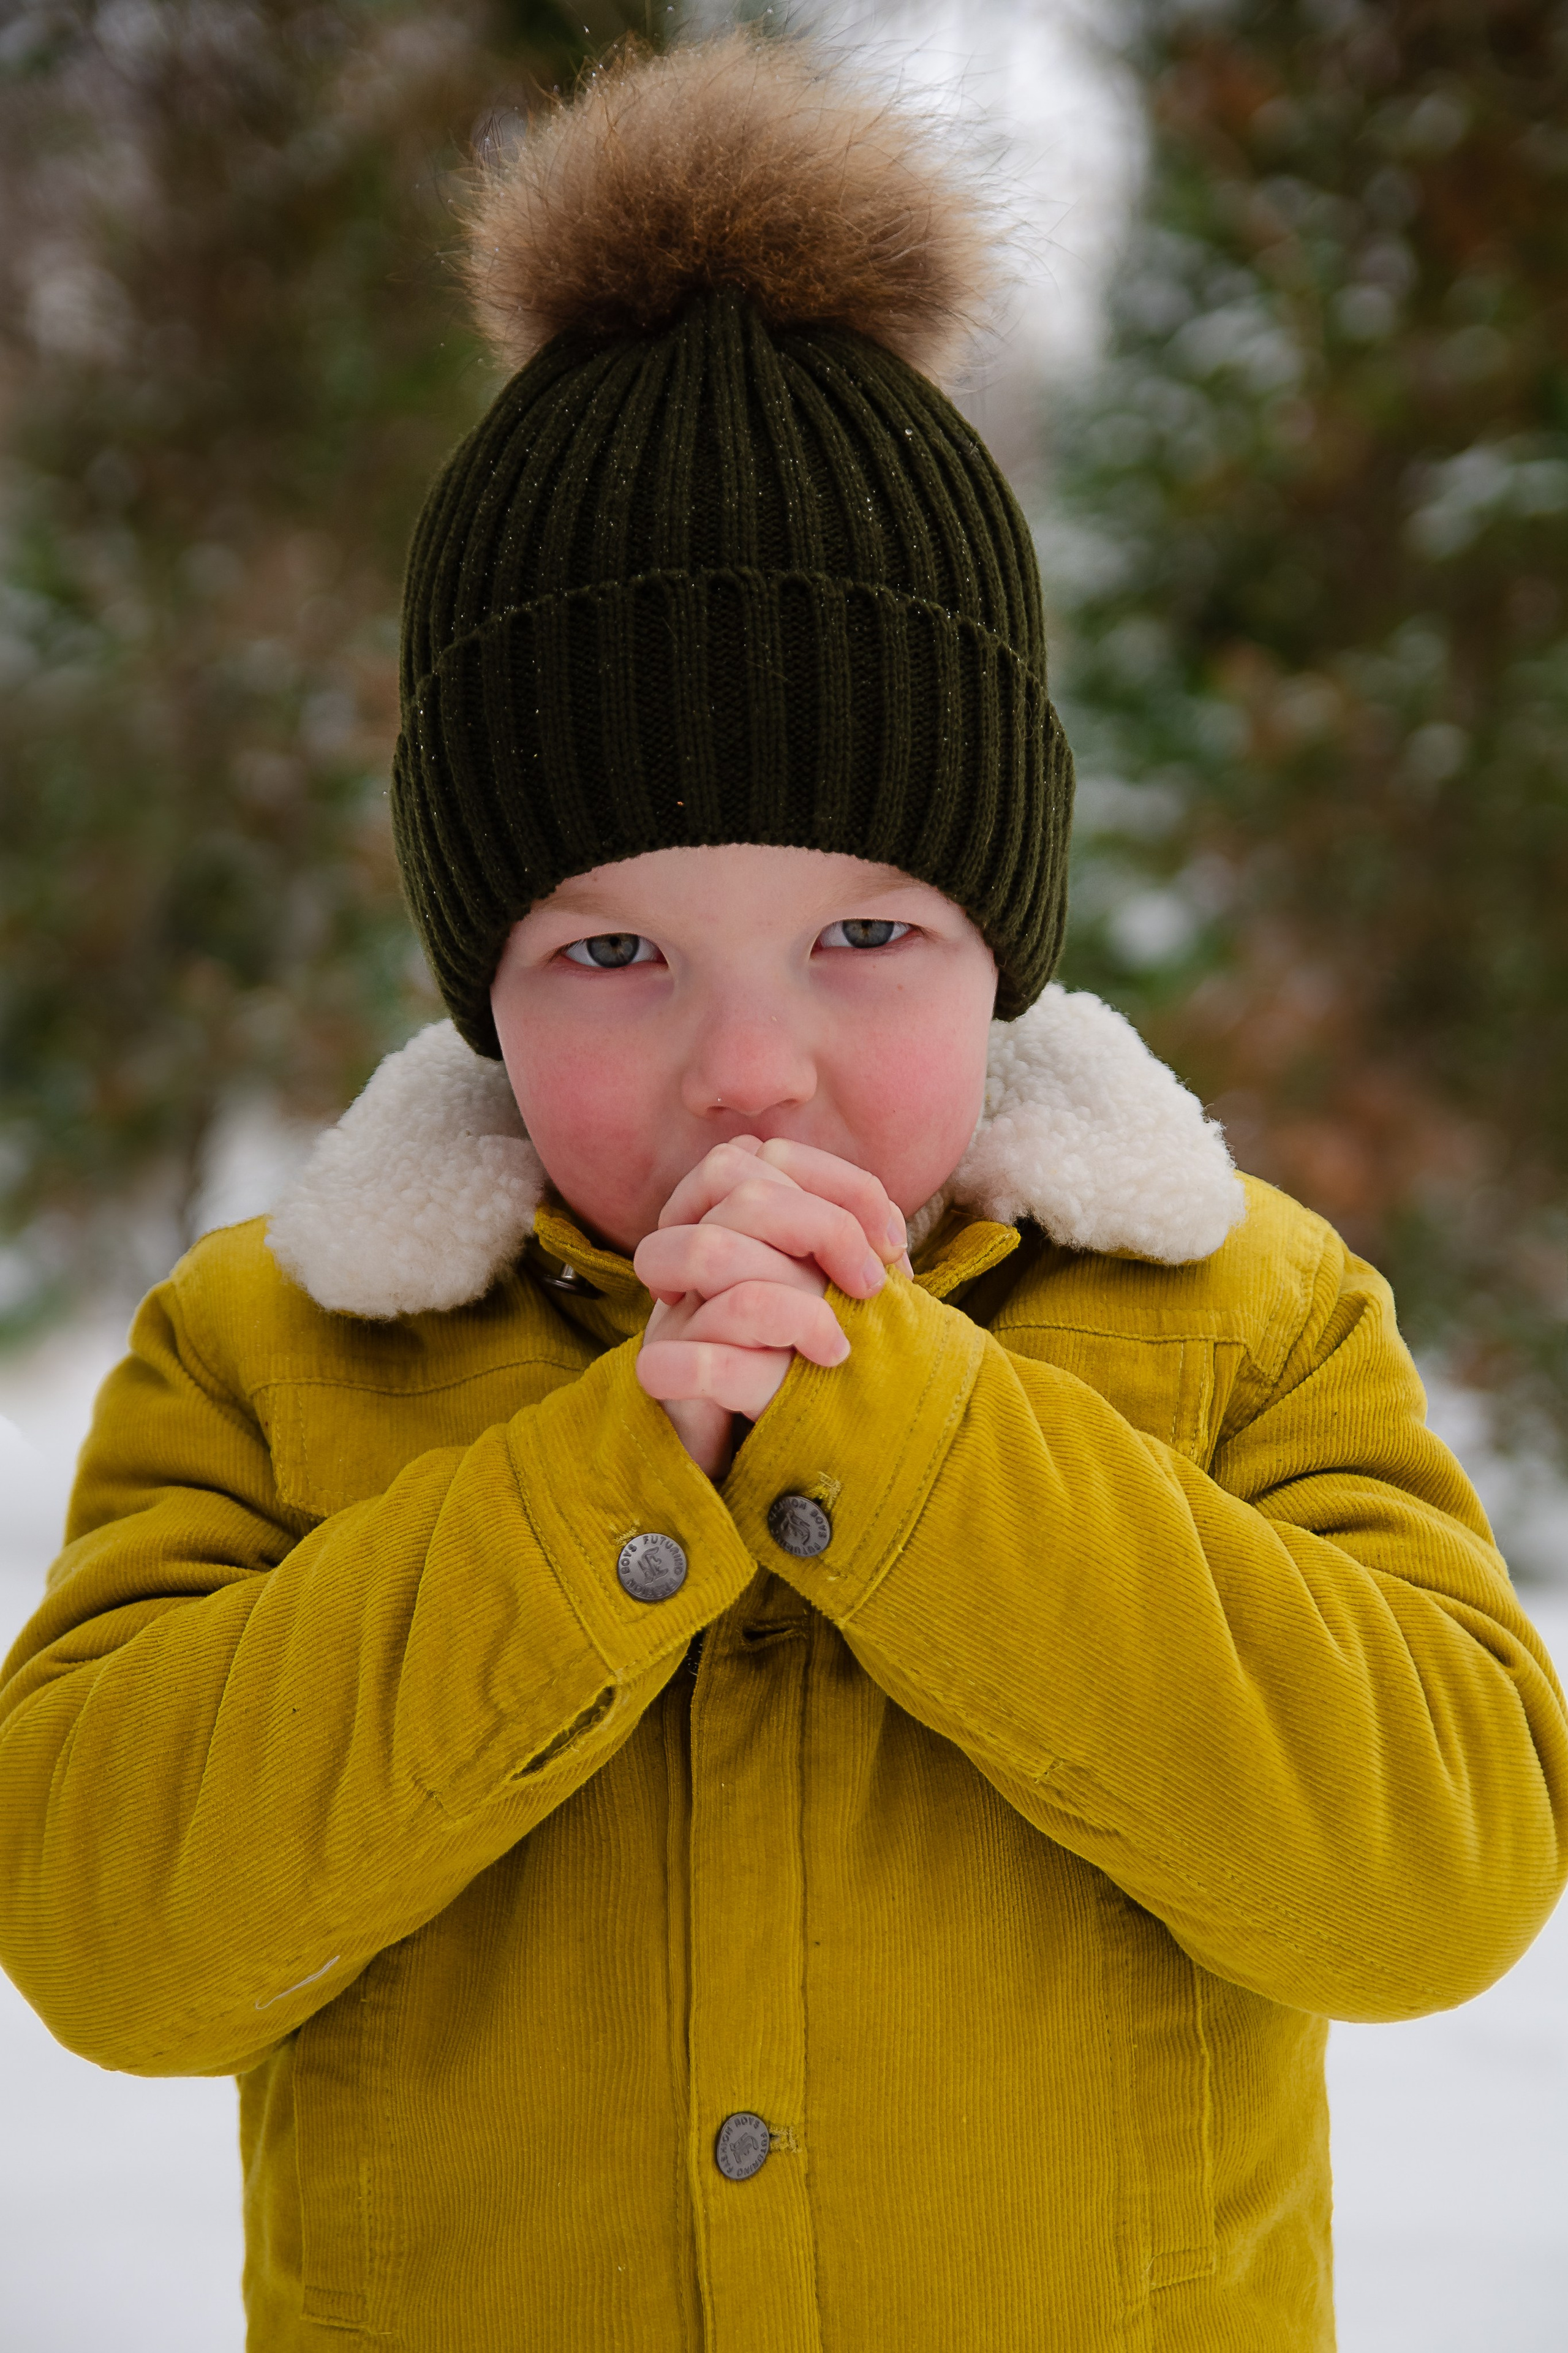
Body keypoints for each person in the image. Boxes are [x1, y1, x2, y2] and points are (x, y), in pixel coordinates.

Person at [1, 33, 1564, 2352]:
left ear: (1003, 937)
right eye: (614, 950)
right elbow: (113, 1939)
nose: (754, 1066)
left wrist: (919, 1445)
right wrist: (599, 1495)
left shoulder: (1239, 1314)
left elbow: (1433, 1879)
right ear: (478, 986)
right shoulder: (279, 1352)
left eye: (865, 936)